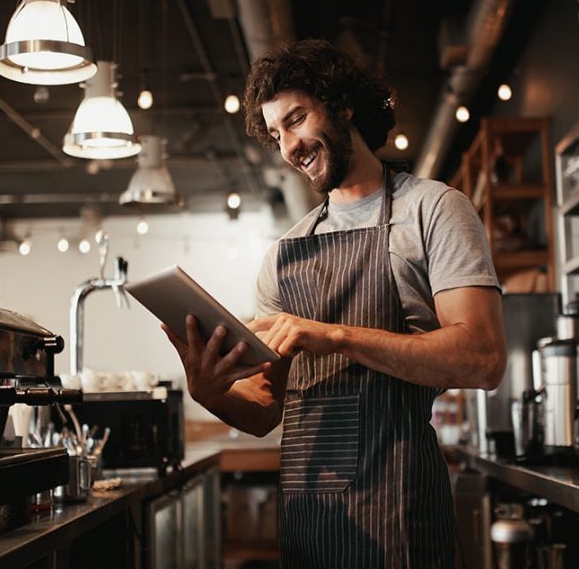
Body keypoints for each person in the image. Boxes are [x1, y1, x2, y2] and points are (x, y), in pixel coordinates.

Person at [162, 39, 506, 568]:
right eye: (276, 134)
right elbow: (263, 410)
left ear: (343, 105)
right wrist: (212, 392)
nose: (288, 147)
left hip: (401, 518)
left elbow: (482, 358)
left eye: (297, 119)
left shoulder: (432, 209)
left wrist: (332, 335)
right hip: (310, 527)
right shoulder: (283, 256)